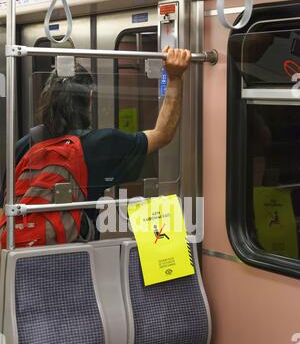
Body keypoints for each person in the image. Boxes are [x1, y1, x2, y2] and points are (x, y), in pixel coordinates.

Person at [0, 46, 191, 239]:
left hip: (22, 261)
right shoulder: (100, 145)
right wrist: (175, 77)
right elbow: (162, 134)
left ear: (47, 99)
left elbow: (4, 207)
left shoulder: (24, 145)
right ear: (90, 99)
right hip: (76, 258)